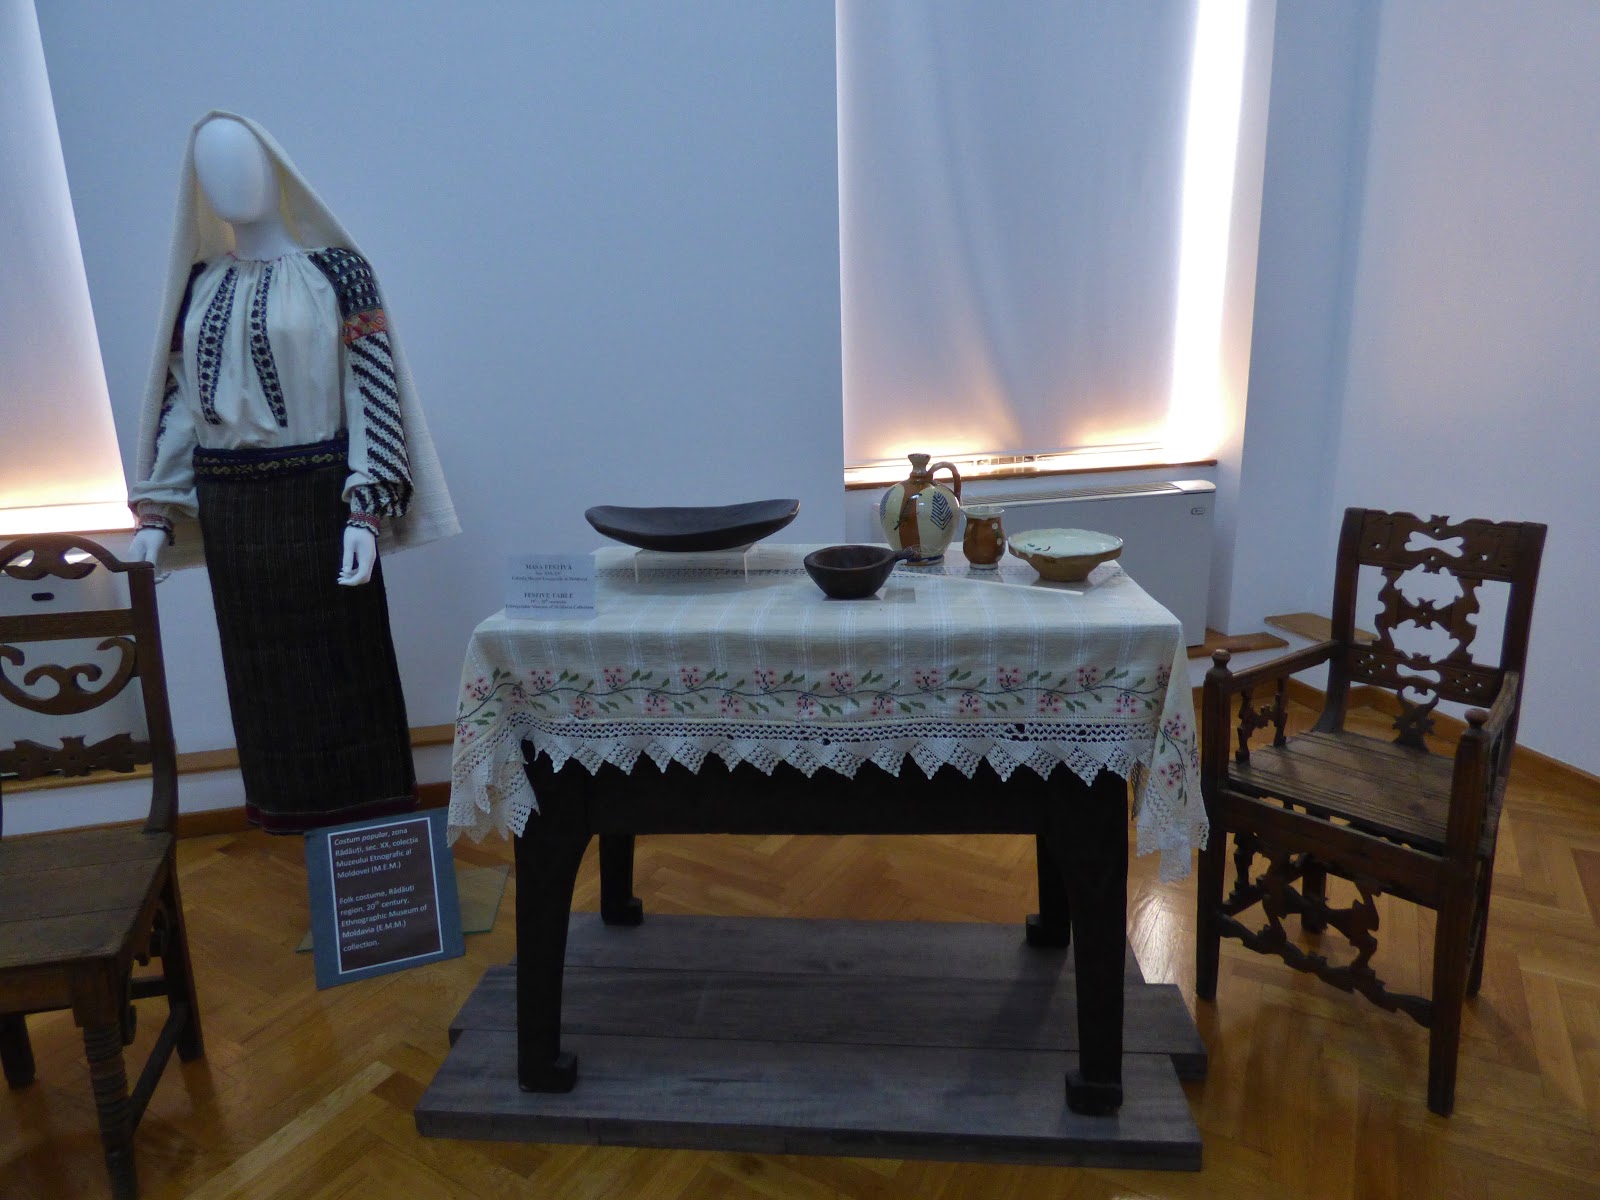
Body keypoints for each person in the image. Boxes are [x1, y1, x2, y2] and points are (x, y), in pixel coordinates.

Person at [128, 111, 457, 832]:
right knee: (264, 680)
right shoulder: (199, 285)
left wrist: (366, 509)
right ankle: (294, 820)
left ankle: (374, 835)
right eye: (211, 169)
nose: (229, 182)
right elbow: (184, 406)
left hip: (318, 498)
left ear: (274, 168)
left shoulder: (337, 273)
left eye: (241, 163)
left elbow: (371, 389)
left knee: (346, 666)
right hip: (234, 516)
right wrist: (157, 512)